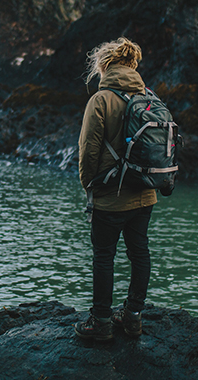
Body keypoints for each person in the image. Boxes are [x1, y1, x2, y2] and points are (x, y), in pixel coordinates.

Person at [75, 37, 157, 341]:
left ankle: (101, 322)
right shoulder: (149, 96)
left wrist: (90, 187)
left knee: (104, 256)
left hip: (110, 197)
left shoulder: (101, 99)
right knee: (140, 252)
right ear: (132, 64)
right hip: (146, 193)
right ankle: (133, 317)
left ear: (104, 65)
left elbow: (88, 152)